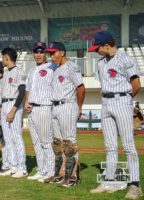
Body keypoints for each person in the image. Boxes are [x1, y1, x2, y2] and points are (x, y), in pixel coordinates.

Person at [88, 31, 142, 199]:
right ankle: (108, 181)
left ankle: (134, 185)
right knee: (110, 146)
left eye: (98, 48)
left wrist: (125, 101)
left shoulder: (125, 58)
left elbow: (136, 84)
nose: (96, 51)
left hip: (121, 101)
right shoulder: (101, 62)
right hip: (106, 103)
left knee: (128, 146)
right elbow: (103, 84)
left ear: (106, 45)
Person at [44, 42, 85, 187]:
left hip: (67, 105)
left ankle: (72, 177)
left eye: (53, 52)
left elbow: (80, 88)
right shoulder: (56, 69)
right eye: (49, 53)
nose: (51, 56)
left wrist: (79, 107)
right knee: (58, 143)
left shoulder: (71, 66)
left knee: (69, 143)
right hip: (55, 107)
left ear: (62, 52)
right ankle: (60, 174)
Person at [25, 42, 56, 182]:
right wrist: (27, 101)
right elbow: (28, 89)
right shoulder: (32, 71)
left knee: (46, 141)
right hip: (32, 109)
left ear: (46, 53)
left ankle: (50, 171)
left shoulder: (52, 67)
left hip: (44, 107)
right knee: (36, 142)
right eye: (36, 52)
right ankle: (42, 169)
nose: (38, 54)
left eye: (41, 52)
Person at [0, 47, 28, 179]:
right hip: (4, 104)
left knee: (16, 137)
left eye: (3, 57)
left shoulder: (19, 71)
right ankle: (13, 166)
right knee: (8, 138)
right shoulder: (5, 73)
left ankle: (22, 168)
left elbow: (22, 91)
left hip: (13, 104)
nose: (2, 60)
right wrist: (0, 109)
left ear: (6, 58)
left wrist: (14, 109)